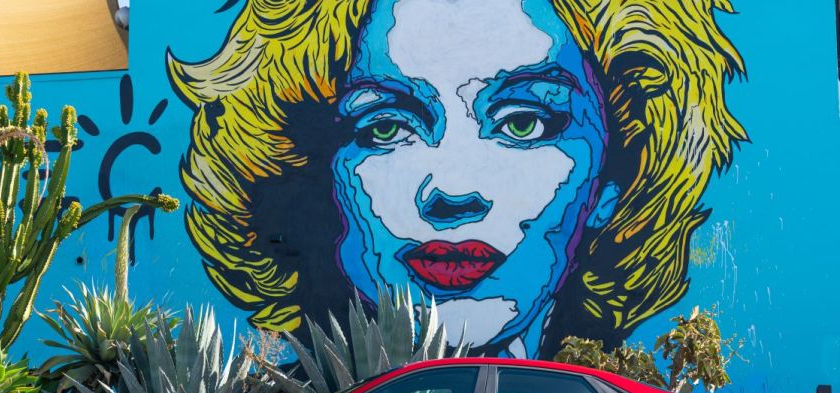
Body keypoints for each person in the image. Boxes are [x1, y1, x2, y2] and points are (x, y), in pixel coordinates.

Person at [168, 0, 746, 358]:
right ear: (313, 176)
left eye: (524, 122)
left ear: (610, 184)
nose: (452, 193)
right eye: (386, 128)